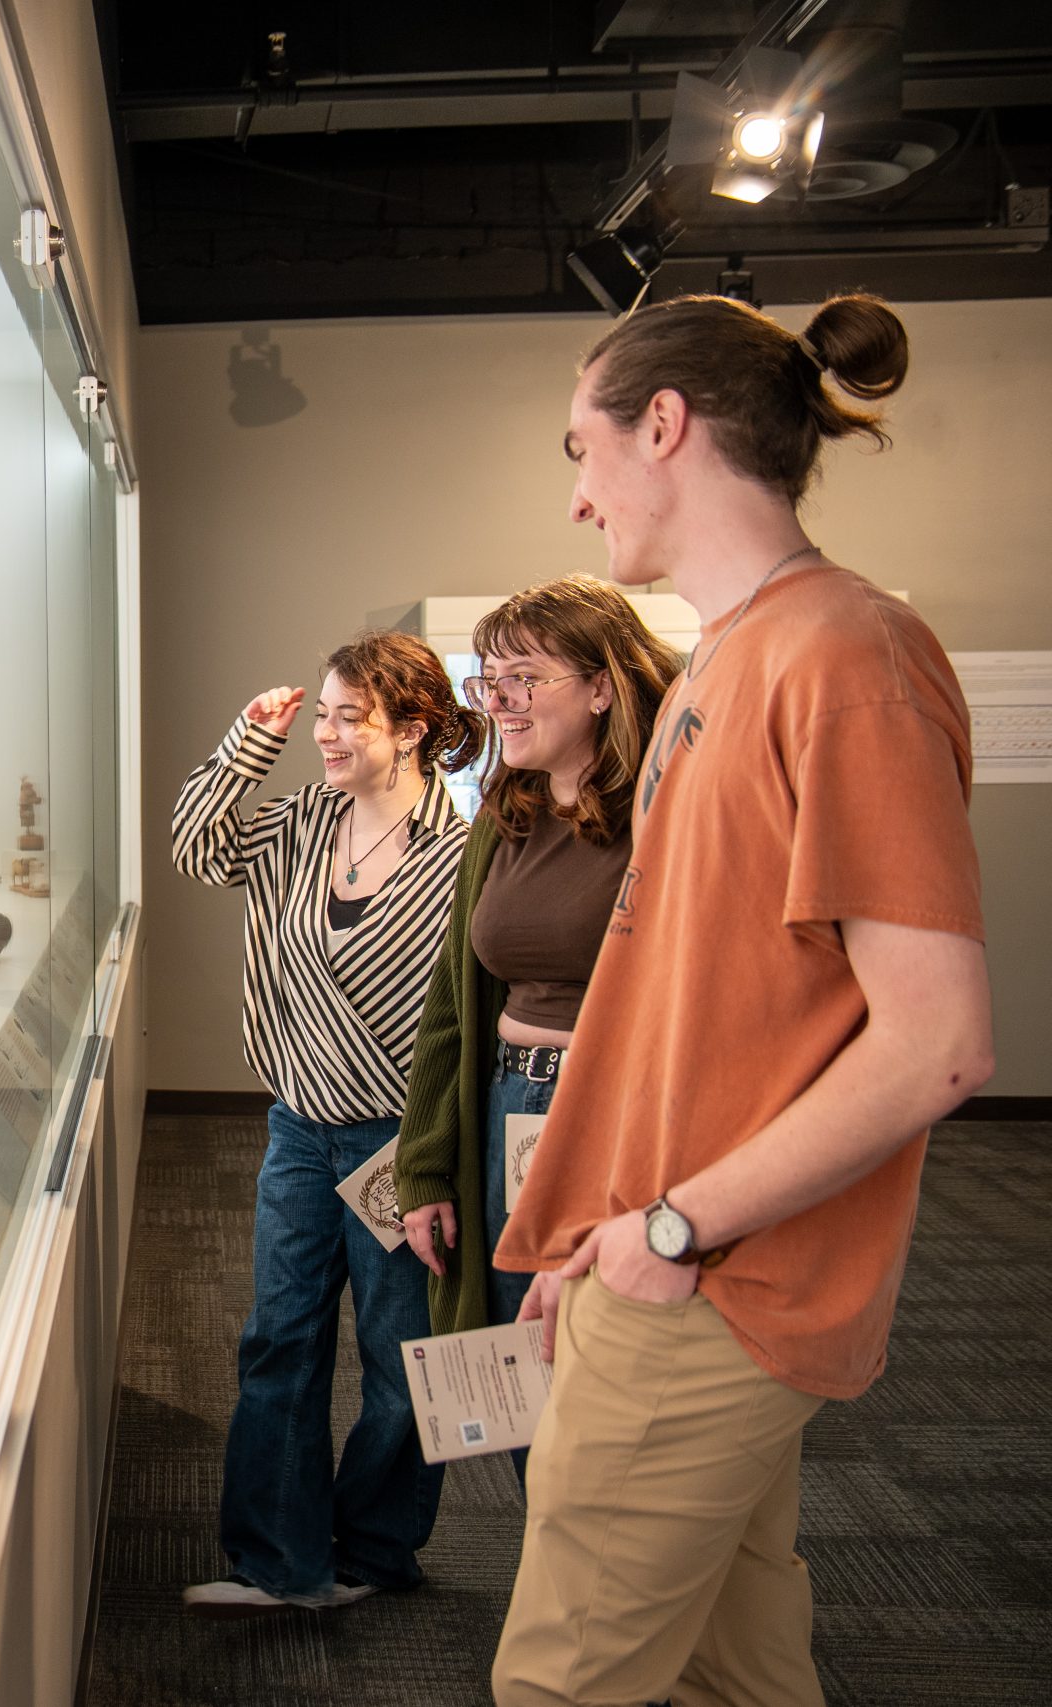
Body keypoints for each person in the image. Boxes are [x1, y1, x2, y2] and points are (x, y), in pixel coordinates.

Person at [490, 294, 991, 1706]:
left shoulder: (848, 656)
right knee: (737, 1674)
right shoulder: (727, 650)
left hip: (720, 1278)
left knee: (560, 1685)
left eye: (582, 448)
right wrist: (601, 1224)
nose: (579, 498)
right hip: (664, 1255)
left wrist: (670, 1227)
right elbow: (692, 1003)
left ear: (665, 425)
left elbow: (939, 1042)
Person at [169, 634, 488, 1615]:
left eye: (351, 717)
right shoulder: (303, 818)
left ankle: (377, 1550)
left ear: (415, 731)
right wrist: (245, 745)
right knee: (280, 1341)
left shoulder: (464, 850)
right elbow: (193, 848)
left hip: (405, 1143)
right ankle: (279, 1560)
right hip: (301, 1128)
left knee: (400, 1363)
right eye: (323, 716)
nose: (327, 735)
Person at [394, 577, 682, 1483]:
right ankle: (555, 1581)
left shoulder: (663, 816)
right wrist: (425, 1162)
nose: (499, 699)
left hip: (612, 1116)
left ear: (602, 686)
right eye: (489, 678)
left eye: (525, 675)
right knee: (524, 1358)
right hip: (507, 1104)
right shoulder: (506, 812)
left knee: (604, 1369)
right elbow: (453, 1003)